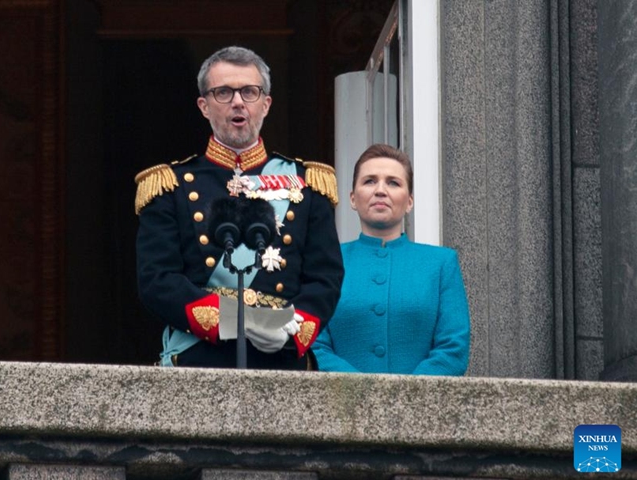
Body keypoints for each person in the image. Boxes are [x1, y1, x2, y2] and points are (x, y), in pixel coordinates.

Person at [134, 46, 343, 370]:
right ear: (204, 106)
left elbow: (325, 278)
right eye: (223, 92)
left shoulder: (307, 183)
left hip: (282, 358)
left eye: (249, 91)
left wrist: (292, 330)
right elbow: (157, 279)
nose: (237, 101)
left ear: (266, 104)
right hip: (200, 359)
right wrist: (228, 321)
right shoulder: (170, 186)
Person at [312, 144, 470, 375]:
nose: (380, 190)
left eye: (393, 183)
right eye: (369, 181)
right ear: (353, 198)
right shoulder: (324, 263)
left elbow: (453, 348)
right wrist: (361, 389)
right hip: (340, 397)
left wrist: (407, 393)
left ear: (409, 201)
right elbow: (314, 345)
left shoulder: (440, 264)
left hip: (422, 398)